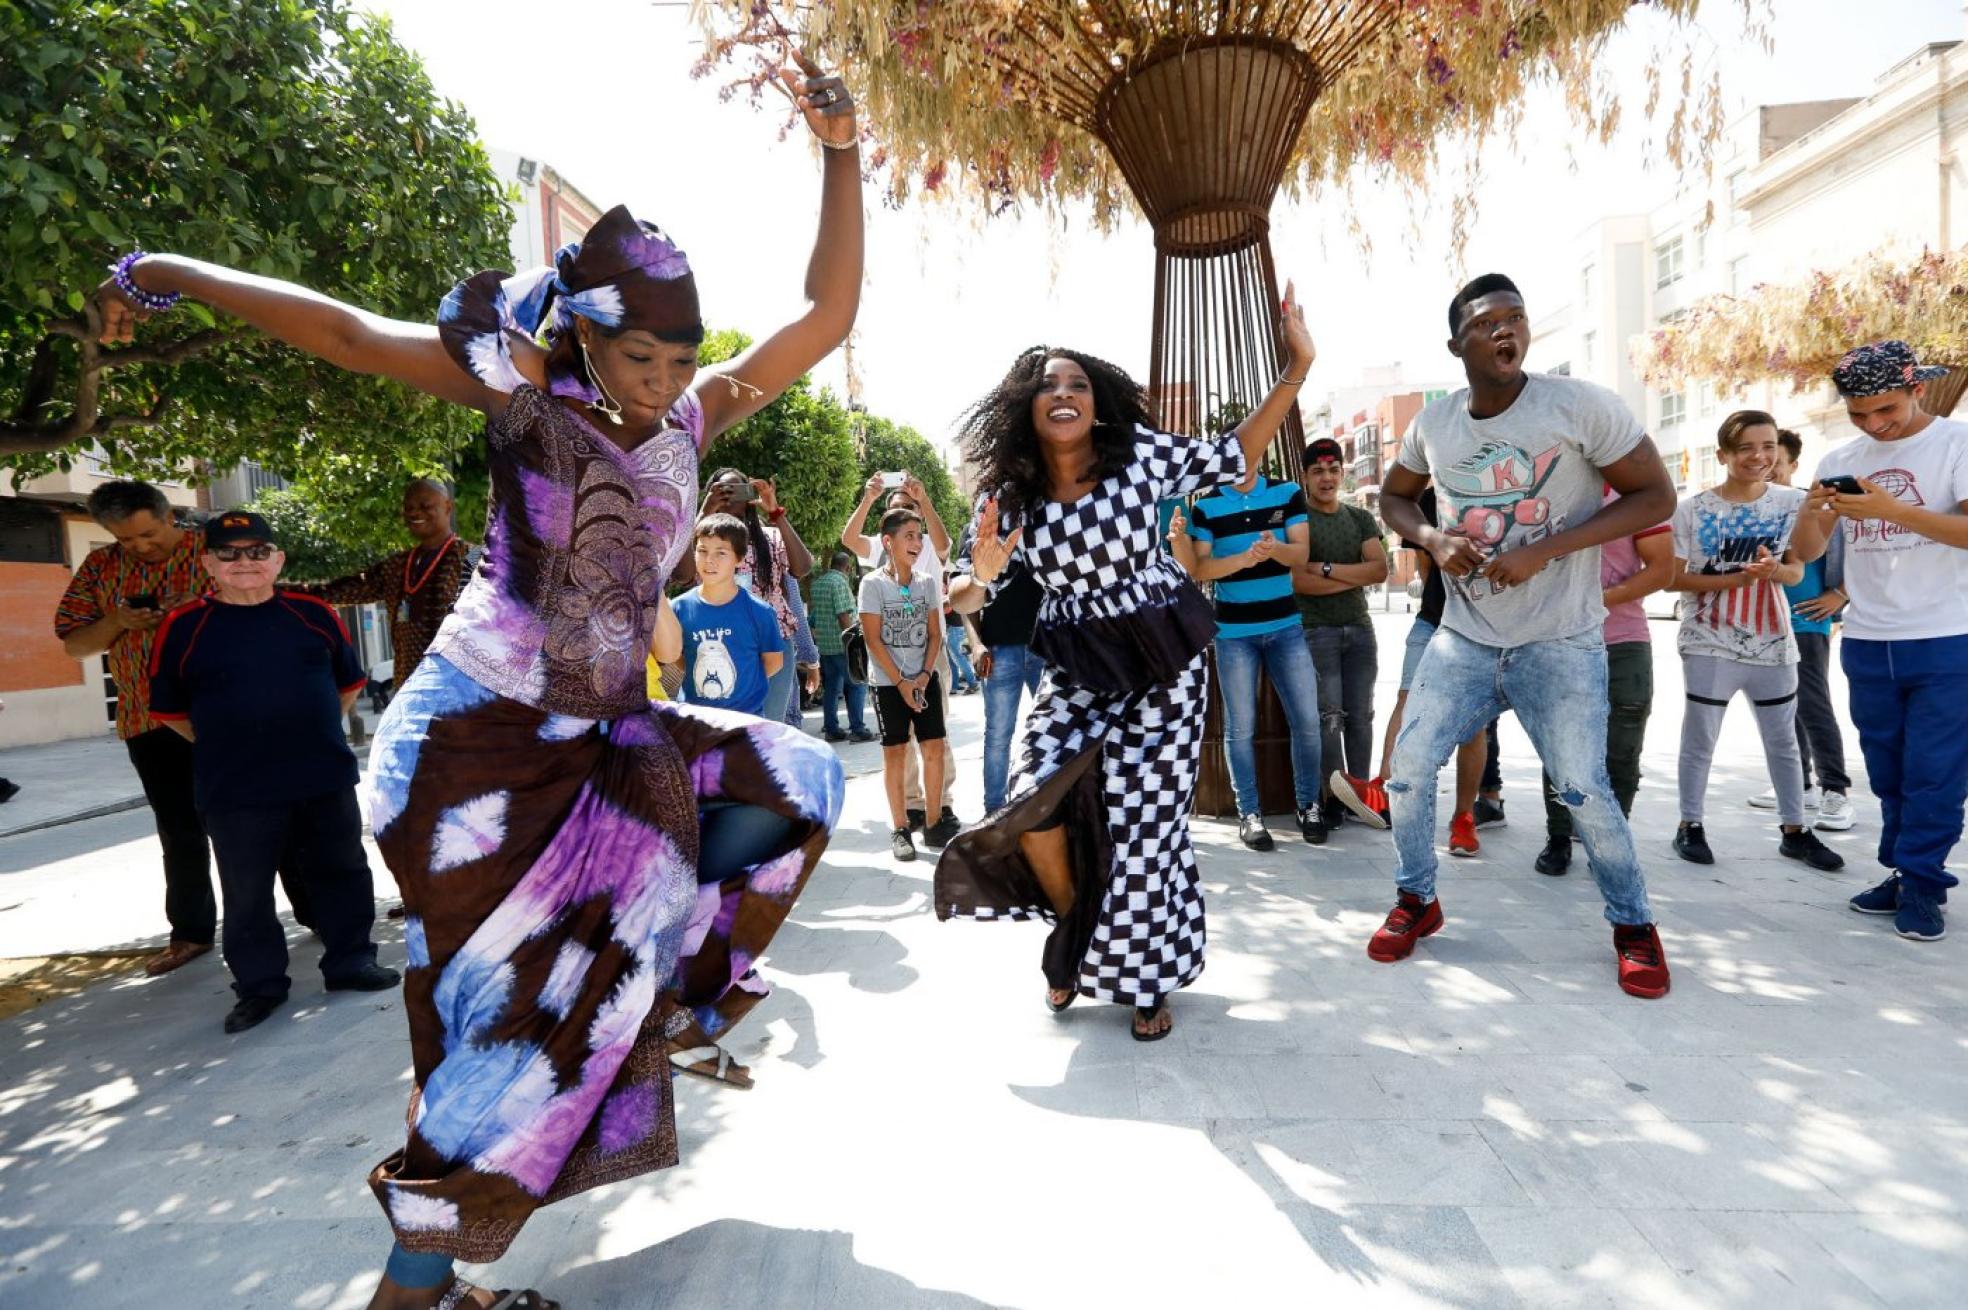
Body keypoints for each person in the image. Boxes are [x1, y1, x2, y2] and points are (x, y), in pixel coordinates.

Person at [89, 50, 858, 1310]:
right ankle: (417, 1285)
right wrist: (165, 270)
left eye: (684, 359)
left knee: (795, 778)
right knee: (504, 1034)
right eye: (643, 359)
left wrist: (841, 152)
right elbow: (340, 331)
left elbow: (824, 316)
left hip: (601, 737)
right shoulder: (518, 396)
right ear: (587, 337)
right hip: (469, 755)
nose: (666, 383)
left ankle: (655, 1001)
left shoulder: (698, 421)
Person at [938, 285, 1316, 1042]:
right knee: (1030, 803)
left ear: (1098, 402)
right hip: (1079, 669)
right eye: (1048, 383)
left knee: (1148, 829)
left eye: (1078, 382)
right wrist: (978, 574)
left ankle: (1146, 980)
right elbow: (965, 592)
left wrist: (1295, 372)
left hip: (1162, 662)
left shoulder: (1139, 458)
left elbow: (1231, 454)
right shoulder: (1009, 497)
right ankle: (1078, 926)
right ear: (1026, 407)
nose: (1065, 392)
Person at [1373, 273, 1676, 999]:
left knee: (1582, 788)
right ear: (1458, 344)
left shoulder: (1579, 406)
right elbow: (1393, 496)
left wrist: (1548, 547)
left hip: (1562, 638)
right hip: (1465, 637)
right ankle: (1418, 899)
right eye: (1487, 323)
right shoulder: (1436, 424)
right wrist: (1431, 539)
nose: (1506, 330)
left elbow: (1655, 495)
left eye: (1516, 318)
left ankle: (1633, 925)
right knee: (1408, 774)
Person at [146, 511, 399, 1032]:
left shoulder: (312, 612)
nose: (245, 562)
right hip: (235, 786)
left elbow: (348, 684)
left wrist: (311, 730)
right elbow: (168, 710)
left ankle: (351, 961)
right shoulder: (184, 626)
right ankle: (260, 987)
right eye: (230, 552)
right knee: (247, 890)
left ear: (278, 559)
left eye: (258, 550)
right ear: (208, 563)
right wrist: (227, 742)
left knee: (343, 871)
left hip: (320, 775)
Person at [1807, 340, 1968, 942]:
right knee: (1889, 770)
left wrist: (1890, 509)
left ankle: (1925, 885)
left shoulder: (1957, 444)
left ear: (1916, 389)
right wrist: (1814, 510)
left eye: (1886, 410)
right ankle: (1904, 872)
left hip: (1947, 635)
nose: (1873, 424)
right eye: (1858, 413)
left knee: (1936, 771)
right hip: (1869, 639)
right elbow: (1806, 553)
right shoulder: (1842, 455)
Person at [54, 480, 219, 976]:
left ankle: (317, 915)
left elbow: (264, 604)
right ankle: (190, 933)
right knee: (179, 831)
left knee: (262, 817)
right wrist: (119, 620)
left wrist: (200, 605)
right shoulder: (101, 568)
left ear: (170, 516)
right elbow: (75, 645)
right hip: (147, 720)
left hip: (222, 714)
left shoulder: (216, 552)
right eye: (127, 540)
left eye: (149, 534)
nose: (141, 547)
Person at [1668, 411, 1839, 870]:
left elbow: (1799, 567)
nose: (1759, 457)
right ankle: (1690, 825)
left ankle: (1795, 830)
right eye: (1746, 448)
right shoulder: (1692, 509)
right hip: (1709, 639)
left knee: (1783, 739)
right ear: (1723, 455)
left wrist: (1773, 572)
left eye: (1768, 447)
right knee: (1701, 737)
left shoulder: (1791, 502)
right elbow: (1673, 578)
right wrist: (1734, 580)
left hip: (1774, 640)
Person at [1168, 454, 1326, 849]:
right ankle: (1249, 815)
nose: (1245, 461)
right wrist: (1243, 558)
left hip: (1286, 627)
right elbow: (1201, 570)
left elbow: (1300, 555)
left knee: (1307, 721)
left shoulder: (1286, 493)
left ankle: (1309, 806)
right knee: (1240, 729)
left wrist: (1274, 548)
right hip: (1233, 633)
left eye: (1252, 452)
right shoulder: (1206, 506)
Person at [1534, 484, 1673, 875]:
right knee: (1562, 747)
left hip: (1625, 641)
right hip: (1561, 640)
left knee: (1623, 750)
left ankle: (1611, 843)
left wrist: (1595, 599)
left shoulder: (1637, 497)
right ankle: (1559, 836)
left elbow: (1663, 569)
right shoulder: (1549, 493)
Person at [1357, 486, 1490, 850]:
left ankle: (1464, 818)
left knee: (1473, 722)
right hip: (1432, 619)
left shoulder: (1495, 493)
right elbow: (1426, 566)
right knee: (1405, 697)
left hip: (1483, 625)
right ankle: (1382, 789)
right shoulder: (1427, 499)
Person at [1753, 428, 1855, 832]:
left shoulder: (1813, 506)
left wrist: (1840, 596)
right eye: (1761, 459)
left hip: (1807, 620)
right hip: (1765, 622)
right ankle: (1801, 783)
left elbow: (1857, 554)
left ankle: (1836, 791)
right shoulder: (1756, 507)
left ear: (1794, 465)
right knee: (1781, 707)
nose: (1767, 467)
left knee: (1813, 705)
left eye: (1776, 461)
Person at [845, 474, 956, 831]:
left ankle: (943, 804)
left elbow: (943, 545)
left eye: (911, 512)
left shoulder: (926, 545)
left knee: (936, 737)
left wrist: (924, 501)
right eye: (897, 512)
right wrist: (867, 498)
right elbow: (848, 539)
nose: (913, 537)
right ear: (887, 536)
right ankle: (912, 807)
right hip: (889, 663)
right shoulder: (878, 560)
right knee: (898, 743)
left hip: (929, 654)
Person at [1291, 437, 1389, 833]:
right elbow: (1299, 582)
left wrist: (1327, 569)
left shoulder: (1360, 519)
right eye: (1318, 471)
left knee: (1361, 718)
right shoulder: (1298, 525)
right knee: (1329, 719)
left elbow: (1379, 570)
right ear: (1306, 477)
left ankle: (1361, 795)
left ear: (1341, 474)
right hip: (1317, 632)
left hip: (1360, 631)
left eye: (1333, 470)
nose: (1327, 478)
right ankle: (1332, 798)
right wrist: (1353, 577)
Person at [297, 479, 477, 689]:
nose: (415, 513)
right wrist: (284, 593)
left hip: (459, 693)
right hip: (408, 689)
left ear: (448, 507)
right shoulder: (398, 565)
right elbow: (341, 591)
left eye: (425, 506)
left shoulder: (474, 559)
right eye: (408, 508)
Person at [860, 509, 947, 860]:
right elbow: (872, 637)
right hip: (887, 683)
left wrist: (924, 677)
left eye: (919, 535)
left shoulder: (926, 582)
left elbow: (935, 633)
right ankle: (900, 829)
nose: (917, 542)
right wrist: (900, 683)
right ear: (888, 541)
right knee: (895, 752)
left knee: (934, 748)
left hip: (924, 680)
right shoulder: (872, 583)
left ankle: (935, 821)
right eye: (909, 535)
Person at [694, 470, 812, 722]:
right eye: (722, 491)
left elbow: (802, 567)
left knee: (767, 729)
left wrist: (775, 514)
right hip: (720, 645)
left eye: (736, 490)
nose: (728, 497)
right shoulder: (702, 545)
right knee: (724, 729)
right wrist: (705, 512)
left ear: (749, 497)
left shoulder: (769, 538)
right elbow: (681, 573)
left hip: (772, 644)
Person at [949, 513, 1046, 815]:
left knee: (1053, 730)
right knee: (998, 735)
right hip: (1000, 647)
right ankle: (994, 812)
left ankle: (1053, 808)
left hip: (1046, 646)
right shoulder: (977, 530)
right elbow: (966, 597)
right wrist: (976, 643)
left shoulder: (1045, 517)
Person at [674, 515, 783, 714]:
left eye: (721, 553)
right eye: (702, 551)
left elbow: (774, 662)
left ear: (740, 559)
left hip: (747, 723)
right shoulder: (678, 608)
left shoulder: (760, 612)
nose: (709, 560)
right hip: (696, 723)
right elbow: (677, 658)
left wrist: (741, 681)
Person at [811, 549, 874, 742]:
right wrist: (853, 644)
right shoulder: (839, 583)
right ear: (848, 567)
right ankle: (858, 729)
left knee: (832, 688)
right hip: (841, 645)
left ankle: (831, 728)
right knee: (857, 684)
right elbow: (843, 615)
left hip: (825, 645)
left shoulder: (818, 583)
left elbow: (814, 615)